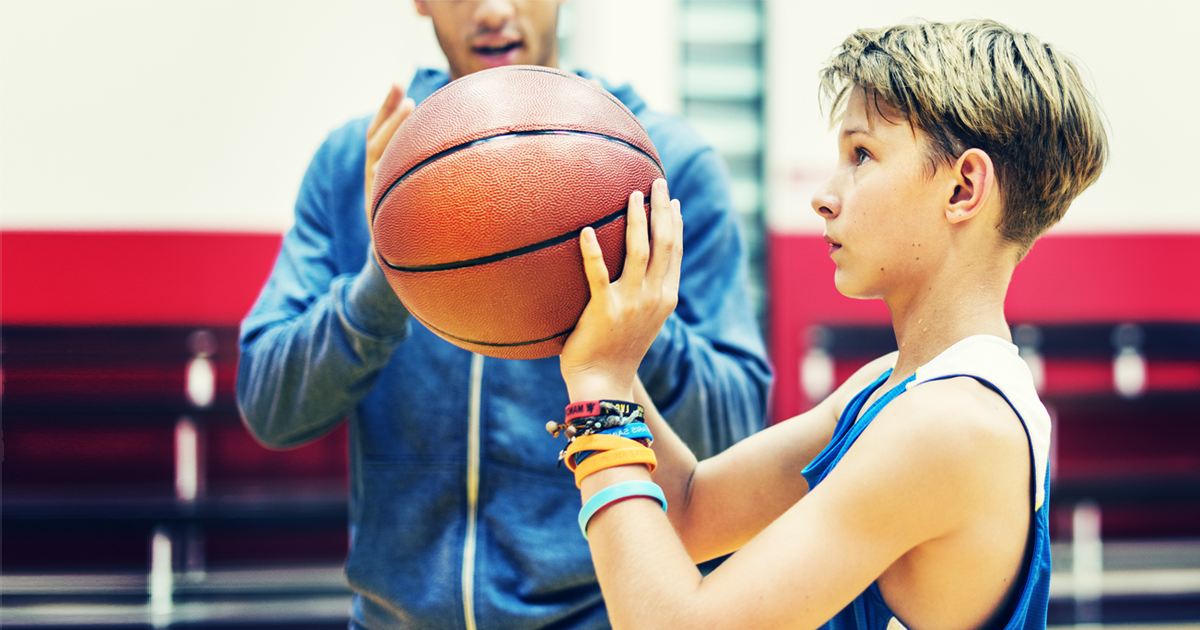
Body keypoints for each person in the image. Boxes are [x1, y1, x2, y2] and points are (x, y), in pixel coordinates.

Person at [553, 19, 1107, 629]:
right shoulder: (892, 387)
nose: (823, 195)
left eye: (861, 155)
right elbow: (687, 514)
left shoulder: (952, 425)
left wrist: (599, 389)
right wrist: (597, 344)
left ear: (963, 187)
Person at [236, 0, 771, 628]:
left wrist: (629, 305)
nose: (492, 10)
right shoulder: (357, 165)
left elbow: (736, 428)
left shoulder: (661, 164)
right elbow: (269, 408)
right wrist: (384, 280)